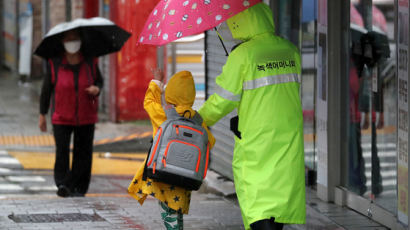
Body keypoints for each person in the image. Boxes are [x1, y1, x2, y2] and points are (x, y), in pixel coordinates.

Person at [198, 3, 305, 230]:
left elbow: (222, 101)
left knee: (258, 196)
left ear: (239, 21)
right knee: (281, 193)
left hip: (257, 138)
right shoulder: (290, 49)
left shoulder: (243, 55)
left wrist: (198, 119)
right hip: (287, 135)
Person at [128, 69, 215, 230]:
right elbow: (210, 141)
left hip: (163, 173)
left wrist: (157, 82)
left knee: (168, 212)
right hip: (186, 175)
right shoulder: (197, 120)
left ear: (170, 95)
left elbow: (148, 101)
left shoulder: (164, 114)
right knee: (176, 210)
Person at [38, 29, 103, 197]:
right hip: (61, 116)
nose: (72, 42)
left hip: (86, 115)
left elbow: (99, 82)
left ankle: (79, 187)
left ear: (81, 41)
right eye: (69, 39)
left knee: (84, 153)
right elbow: (46, 91)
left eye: (75, 38)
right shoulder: (55, 64)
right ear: (63, 42)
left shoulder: (90, 62)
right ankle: (62, 184)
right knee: (62, 152)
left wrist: (97, 89)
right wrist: (42, 114)